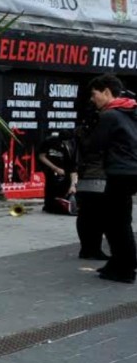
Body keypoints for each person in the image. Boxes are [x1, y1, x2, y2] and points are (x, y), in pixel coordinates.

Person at [86, 74, 137, 283]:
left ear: (106, 91)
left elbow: (94, 146)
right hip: (131, 171)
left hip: (120, 172)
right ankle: (118, 262)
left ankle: (125, 268)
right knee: (120, 219)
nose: (92, 99)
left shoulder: (109, 116)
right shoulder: (131, 110)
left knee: (115, 222)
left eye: (93, 94)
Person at [73, 103, 109, 260]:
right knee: (99, 216)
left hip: (84, 176)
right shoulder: (103, 133)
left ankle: (86, 248)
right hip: (101, 176)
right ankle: (94, 249)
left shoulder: (80, 132)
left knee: (85, 215)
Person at [36, 130, 77, 214]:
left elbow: (72, 169)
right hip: (51, 169)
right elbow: (41, 156)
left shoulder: (69, 147)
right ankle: (49, 205)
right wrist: (55, 168)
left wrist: (73, 185)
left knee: (64, 186)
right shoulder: (49, 142)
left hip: (64, 171)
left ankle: (61, 203)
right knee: (51, 184)